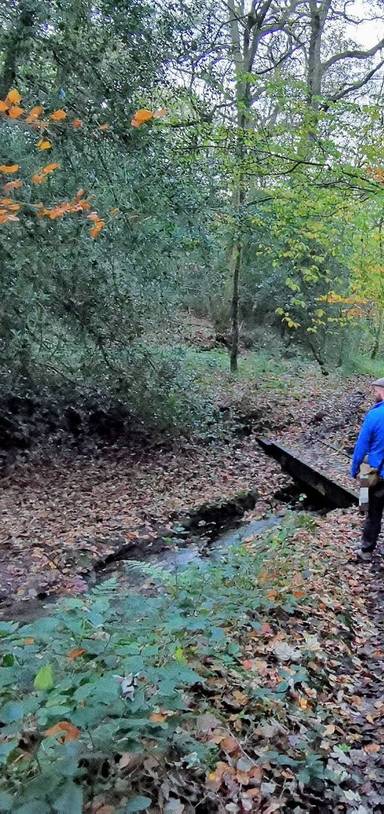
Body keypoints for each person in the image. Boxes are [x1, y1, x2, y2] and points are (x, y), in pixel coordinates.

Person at [351, 377, 384, 561]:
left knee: (374, 514)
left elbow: (361, 447)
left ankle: (366, 551)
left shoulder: (374, 415)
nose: (374, 394)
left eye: (376, 390)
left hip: (377, 475)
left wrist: (354, 469)